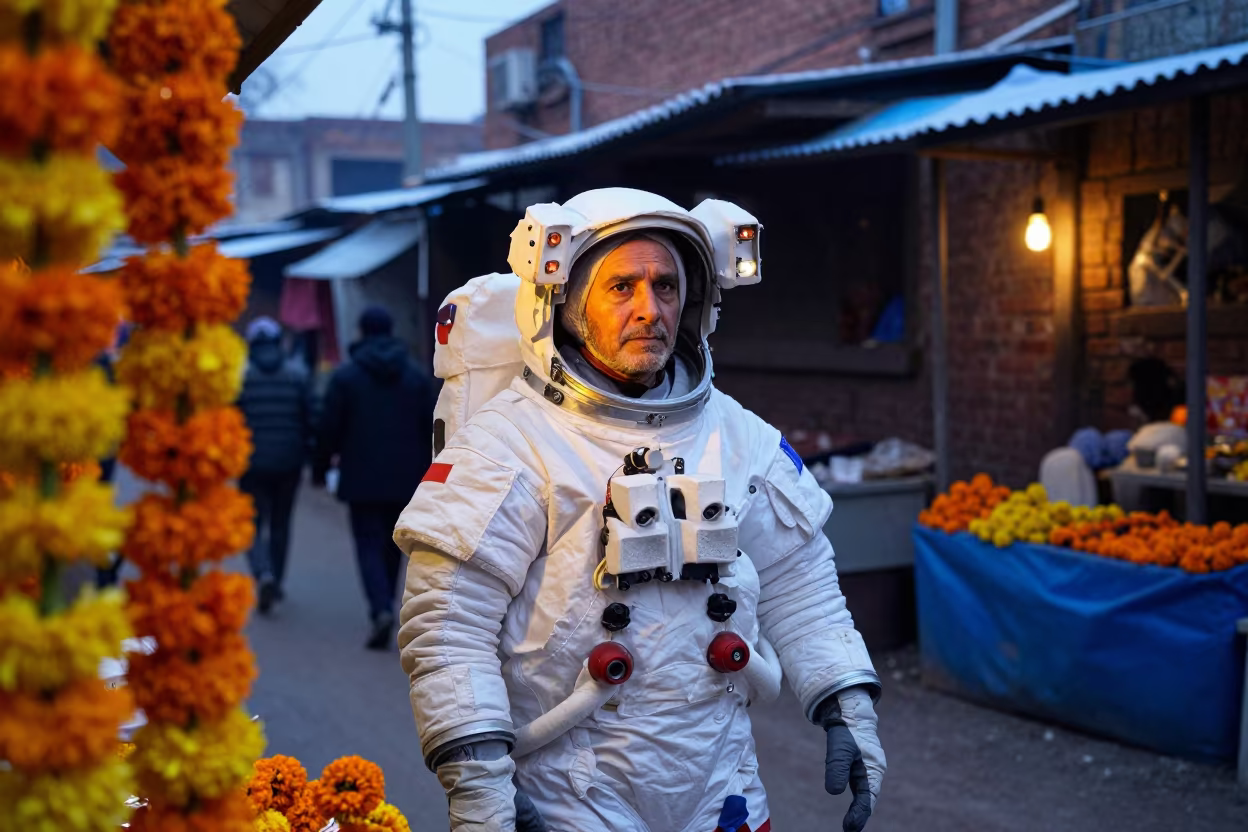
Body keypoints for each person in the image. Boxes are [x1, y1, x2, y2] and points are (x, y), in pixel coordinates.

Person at [394, 189, 885, 832]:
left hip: (722, 782)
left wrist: (847, 701)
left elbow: (802, 583)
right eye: (621, 286)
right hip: (571, 787)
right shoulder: (511, 444)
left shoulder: (737, 438)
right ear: (564, 302)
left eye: (666, 286)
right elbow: (448, 630)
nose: (649, 310)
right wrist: (481, 782)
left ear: (694, 304)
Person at [314, 307, 434, 649]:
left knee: (367, 543)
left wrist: (320, 468)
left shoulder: (346, 377)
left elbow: (328, 428)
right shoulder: (414, 376)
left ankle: (379, 608)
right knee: (392, 545)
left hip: (361, 477)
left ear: (361, 332)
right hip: (406, 478)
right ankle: (387, 605)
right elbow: (433, 425)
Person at [237, 316, 314, 615]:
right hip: (288, 462)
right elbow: (311, 417)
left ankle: (262, 572)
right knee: (281, 523)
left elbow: (230, 421)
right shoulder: (297, 374)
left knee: (252, 524)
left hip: (251, 463)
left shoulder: (241, 377)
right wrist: (308, 454)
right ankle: (277, 580)